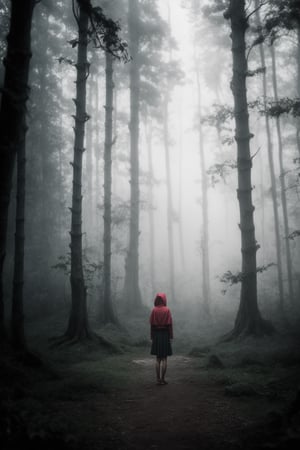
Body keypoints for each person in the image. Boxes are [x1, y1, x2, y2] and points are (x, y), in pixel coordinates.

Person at [149, 292, 173, 385]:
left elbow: (152, 326)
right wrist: (170, 336)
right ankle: (163, 379)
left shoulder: (154, 310)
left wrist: (152, 337)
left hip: (157, 336)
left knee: (158, 359)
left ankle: (158, 379)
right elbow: (170, 325)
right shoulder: (167, 310)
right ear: (164, 300)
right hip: (165, 335)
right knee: (164, 359)